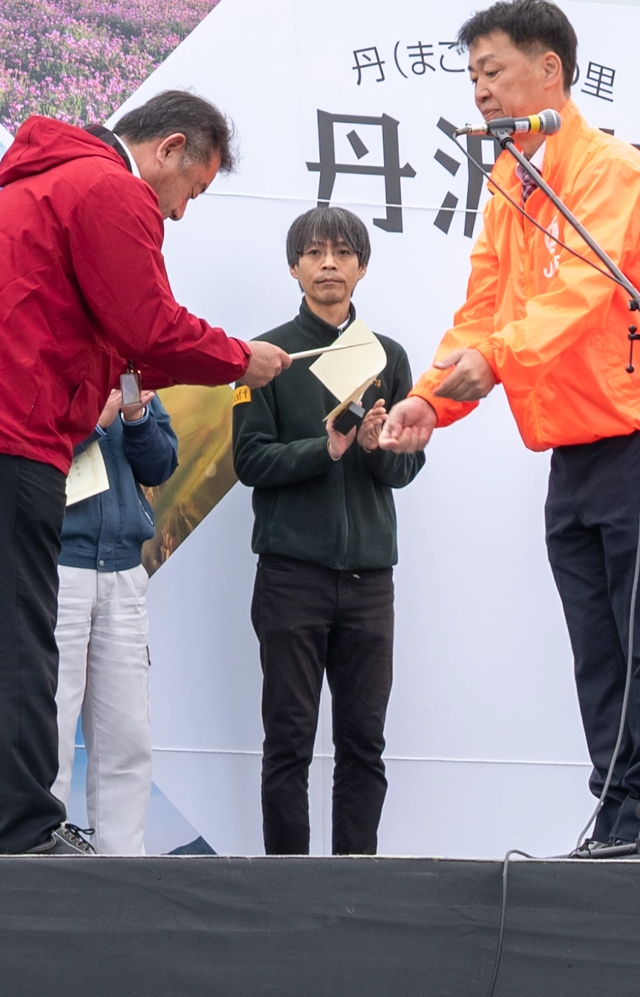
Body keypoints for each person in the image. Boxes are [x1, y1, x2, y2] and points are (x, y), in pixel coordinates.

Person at [0, 90, 290, 856]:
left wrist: (203, 360)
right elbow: (150, 325)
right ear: (169, 148)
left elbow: (119, 342)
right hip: (7, 427)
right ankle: (26, 832)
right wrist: (239, 357)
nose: (180, 212)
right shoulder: (111, 188)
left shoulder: (49, 183)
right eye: (193, 189)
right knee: (15, 641)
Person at [378, 0, 640, 848]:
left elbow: (583, 294)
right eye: (473, 77)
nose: (480, 92)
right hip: (574, 438)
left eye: (493, 71)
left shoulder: (611, 170)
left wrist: (495, 359)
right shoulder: (510, 182)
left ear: (550, 70)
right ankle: (616, 801)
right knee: (595, 634)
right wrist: (431, 398)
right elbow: (483, 307)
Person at [232, 207, 425, 855]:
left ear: (362, 266)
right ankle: (288, 888)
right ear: (294, 267)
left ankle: (354, 885)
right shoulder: (267, 356)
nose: (329, 265)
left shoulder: (388, 357)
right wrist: (327, 449)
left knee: (364, 744)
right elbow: (250, 462)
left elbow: (407, 468)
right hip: (291, 576)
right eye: (314, 253)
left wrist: (373, 447)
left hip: (370, 581)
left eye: (343, 253)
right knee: (288, 742)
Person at [52, 383, 179, 856]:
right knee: (49, 730)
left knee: (127, 737)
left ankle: (123, 868)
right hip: (57, 567)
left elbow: (161, 465)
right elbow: (27, 455)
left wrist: (136, 419)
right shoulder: (40, 359)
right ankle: (36, 865)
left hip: (124, 571)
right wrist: (95, 424)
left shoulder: (126, 367)